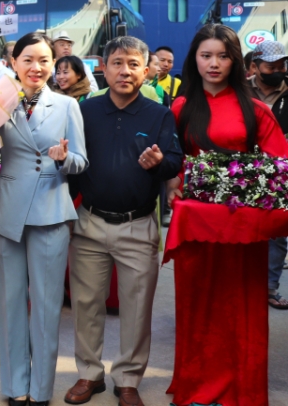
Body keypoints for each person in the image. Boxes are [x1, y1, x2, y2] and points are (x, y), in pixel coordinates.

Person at [164, 24, 288, 406]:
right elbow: (175, 161)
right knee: (197, 305)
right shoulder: (182, 108)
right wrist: (173, 181)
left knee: (242, 305)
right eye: (206, 55)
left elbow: (278, 166)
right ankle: (197, 386)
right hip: (197, 227)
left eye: (222, 55)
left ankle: (241, 387)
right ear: (195, 59)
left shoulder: (256, 110)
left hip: (243, 228)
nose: (214, 63)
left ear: (236, 60)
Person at [65, 37, 183, 406]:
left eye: (134, 64)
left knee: (137, 306)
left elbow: (174, 162)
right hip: (89, 222)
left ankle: (128, 378)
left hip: (138, 224)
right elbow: (71, 165)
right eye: (118, 63)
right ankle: (89, 374)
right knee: (86, 304)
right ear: (103, 66)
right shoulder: (85, 111)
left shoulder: (159, 114)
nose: (125, 71)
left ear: (146, 71)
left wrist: (159, 163)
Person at [0, 31, 88, 406]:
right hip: (6, 215)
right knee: (9, 307)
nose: (36, 67)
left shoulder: (68, 106)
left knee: (45, 307)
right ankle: (15, 388)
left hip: (52, 213)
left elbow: (81, 162)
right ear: (13, 63)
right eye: (28, 60)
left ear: (53, 64)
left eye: (44, 60)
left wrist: (62, 158)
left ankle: (41, 391)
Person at [246, 40, 288, 310]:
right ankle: (242, 286)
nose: (277, 70)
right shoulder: (239, 91)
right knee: (243, 227)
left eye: (281, 65)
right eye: (270, 66)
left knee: (277, 231)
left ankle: (269, 288)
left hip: (281, 169)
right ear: (255, 66)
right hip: (243, 170)